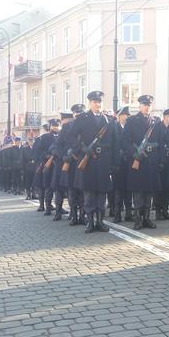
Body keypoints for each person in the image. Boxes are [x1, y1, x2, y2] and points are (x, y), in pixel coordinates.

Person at [66, 91, 119, 233]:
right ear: (90, 103)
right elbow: (70, 137)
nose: (98, 104)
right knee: (89, 193)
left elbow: (115, 143)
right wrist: (82, 148)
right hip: (88, 161)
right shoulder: (82, 118)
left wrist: (114, 163)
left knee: (102, 193)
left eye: (100, 102)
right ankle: (90, 221)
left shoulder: (109, 120)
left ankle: (100, 221)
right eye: (95, 102)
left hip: (103, 161)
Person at [123, 95, 164, 230]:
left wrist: (160, 160)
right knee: (138, 192)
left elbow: (161, 142)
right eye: (145, 104)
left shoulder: (156, 122)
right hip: (138, 160)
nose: (147, 107)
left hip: (152, 160)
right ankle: (138, 219)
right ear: (140, 106)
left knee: (149, 192)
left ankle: (147, 218)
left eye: (149, 105)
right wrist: (134, 154)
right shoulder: (132, 121)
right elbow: (125, 141)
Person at [65, 104, 87, 225]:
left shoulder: (88, 125)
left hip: (84, 161)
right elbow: (60, 144)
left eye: (80, 113)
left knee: (83, 190)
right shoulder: (67, 126)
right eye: (76, 113)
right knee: (72, 192)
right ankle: (73, 215)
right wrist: (66, 154)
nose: (78, 115)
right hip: (72, 163)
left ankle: (83, 216)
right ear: (73, 114)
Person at [51, 111, 74, 221]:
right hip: (65, 163)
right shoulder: (67, 128)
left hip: (64, 163)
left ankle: (61, 212)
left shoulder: (65, 129)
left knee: (63, 189)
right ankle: (67, 212)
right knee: (67, 189)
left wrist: (62, 155)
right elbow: (56, 146)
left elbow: (57, 147)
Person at [111, 106, 133, 223]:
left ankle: (129, 213)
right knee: (118, 190)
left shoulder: (130, 128)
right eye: (125, 115)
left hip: (129, 162)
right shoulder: (114, 128)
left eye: (128, 115)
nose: (127, 117)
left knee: (129, 189)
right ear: (120, 116)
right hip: (118, 164)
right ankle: (117, 214)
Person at [34, 120, 60, 213]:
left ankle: (58, 208)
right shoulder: (44, 137)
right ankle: (47, 207)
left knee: (58, 187)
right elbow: (37, 151)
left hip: (58, 164)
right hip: (47, 165)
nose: (55, 128)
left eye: (57, 126)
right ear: (50, 127)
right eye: (53, 126)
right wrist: (46, 156)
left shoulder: (62, 136)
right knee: (47, 186)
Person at [157, 107, 169, 221]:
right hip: (160, 161)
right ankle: (158, 210)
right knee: (160, 187)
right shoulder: (158, 127)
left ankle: (165, 210)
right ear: (164, 117)